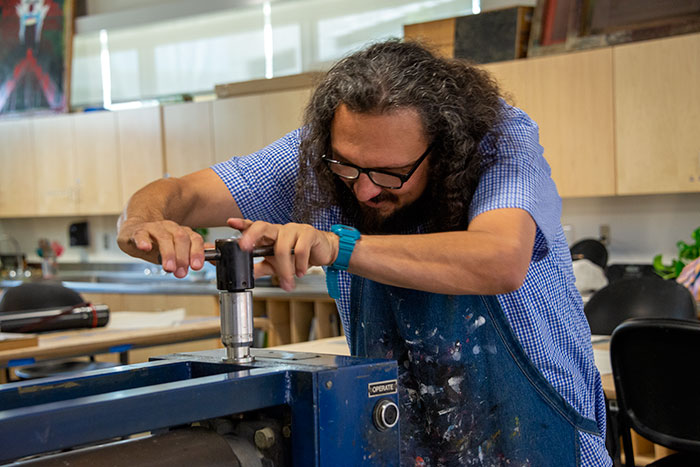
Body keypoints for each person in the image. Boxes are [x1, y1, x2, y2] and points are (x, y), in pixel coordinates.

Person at [118, 40, 611, 466]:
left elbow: (498, 259)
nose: (366, 192)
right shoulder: (323, 154)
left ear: (444, 146)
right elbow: (181, 191)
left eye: (390, 173)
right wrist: (143, 221)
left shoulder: (500, 140)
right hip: (407, 435)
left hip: (536, 432)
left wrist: (338, 246)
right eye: (349, 169)